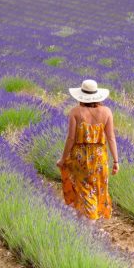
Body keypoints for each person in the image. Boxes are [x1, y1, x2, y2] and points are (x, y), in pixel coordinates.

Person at [56, 79, 119, 221]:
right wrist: (116, 161)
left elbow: (71, 139)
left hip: (80, 158)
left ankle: (88, 223)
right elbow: (111, 138)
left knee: (83, 189)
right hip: (99, 158)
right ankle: (88, 221)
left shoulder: (75, 112)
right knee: (97, 188)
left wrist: (63, 159)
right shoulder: (107, 112)